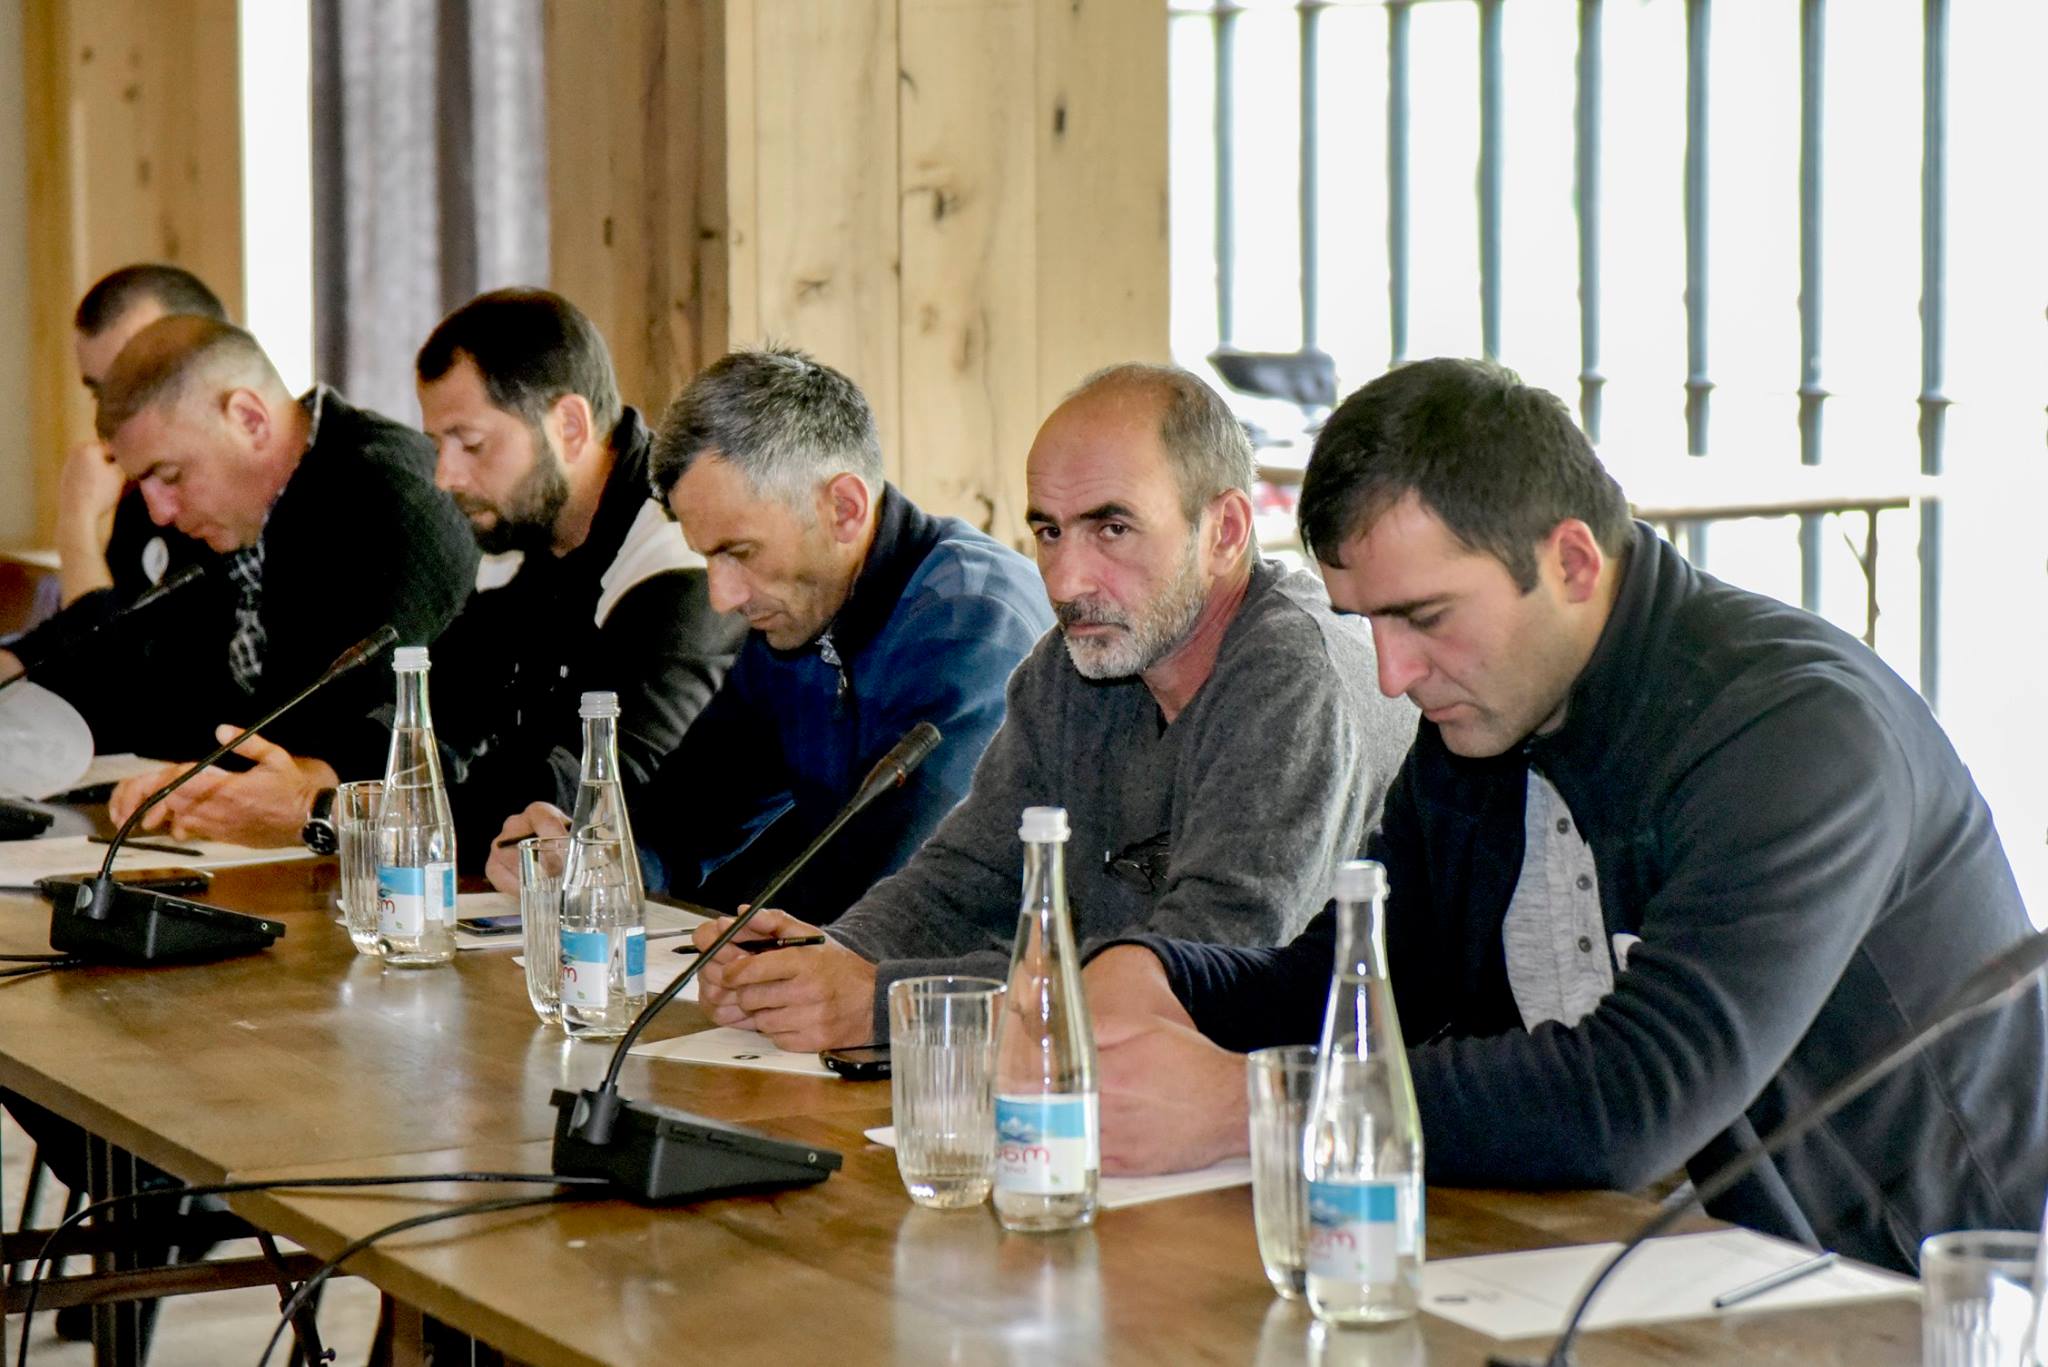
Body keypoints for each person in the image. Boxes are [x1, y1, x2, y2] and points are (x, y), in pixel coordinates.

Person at [1083, 357, 2047, 1273]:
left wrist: (1249, 1104)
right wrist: (1154, 976)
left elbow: (1639, 1093)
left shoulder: (1796, 735)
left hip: (1888, 1295)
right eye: (1366, 622)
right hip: (1614, 1259)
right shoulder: (1487, 715)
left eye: (1424, 617)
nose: (1392, 674)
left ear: (1574, 562)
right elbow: (1355, 984)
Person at [681, 364, 1418, 1053]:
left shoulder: (1292, 675)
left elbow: (1198, 972)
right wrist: (822, 958)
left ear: (1224, 531)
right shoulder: (1073, 665)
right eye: (1049, 532)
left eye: (1113, 529)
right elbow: (969, 880)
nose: (1065, 582)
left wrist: (883, 1000)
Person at [112, 289, 746, 861]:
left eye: (471, 444)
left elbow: (579, 805)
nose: (445, 477)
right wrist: (303, 778)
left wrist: (322, 813)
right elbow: (439, 717)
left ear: (570, 427)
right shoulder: (517, 537)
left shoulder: (680, 559)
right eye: (439, 444)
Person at [485, 346, 1051, 921]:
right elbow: (686, 820)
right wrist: (583, 859)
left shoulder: (973, 626)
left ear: (845, 508)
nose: (722, 596)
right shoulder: (800, 615)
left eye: (740, 552)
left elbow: (904, 901)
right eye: (709, 557)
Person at [83, 316, 477, 822]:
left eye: (171, 475)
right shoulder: (219, 518)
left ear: (250, 420)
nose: (159, 512)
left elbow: (367, 734)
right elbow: (154, 691)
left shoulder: (390, 497)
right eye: (143, 484)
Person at [0, 265, 223, 681]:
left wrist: (77, 522)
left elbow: (110, 677)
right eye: (98, 392)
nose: (107, 418)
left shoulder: (236, 508)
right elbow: (71, 637)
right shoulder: (140, 497)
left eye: (133, 385)